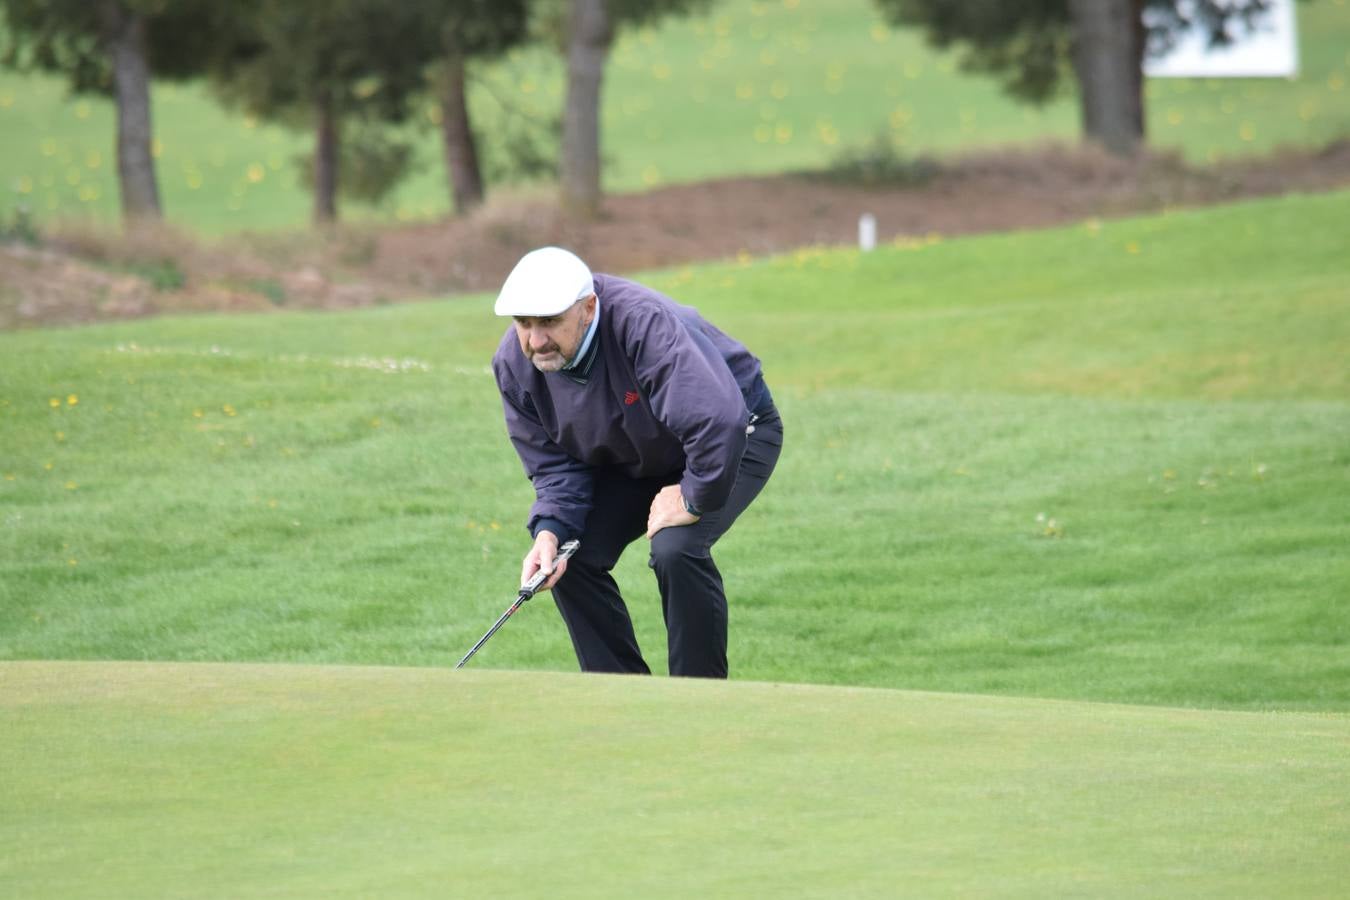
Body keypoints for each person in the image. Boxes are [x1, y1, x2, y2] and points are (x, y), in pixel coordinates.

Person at [491, 246, 783, 678]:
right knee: (571, 558)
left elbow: (719, 420)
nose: (535, 340)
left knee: (676, 547)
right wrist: (551, 529)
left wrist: (692, 498)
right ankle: (622, 693)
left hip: (734, 436)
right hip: (637, 451)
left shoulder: (642, 325)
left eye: (549, 321)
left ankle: (698, 698)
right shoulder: (516, 365)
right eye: (524, 323)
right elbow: (556, 467)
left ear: (588, 308)